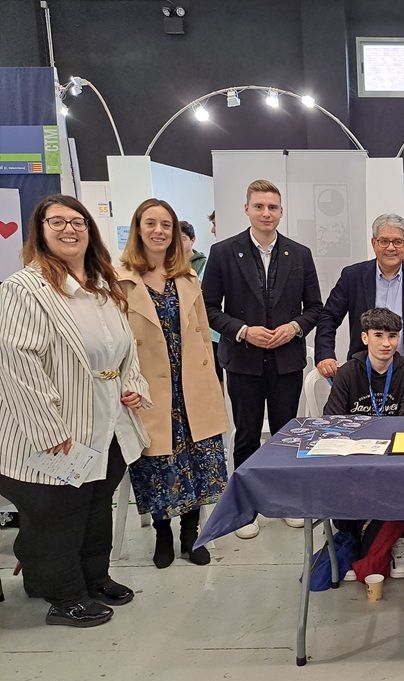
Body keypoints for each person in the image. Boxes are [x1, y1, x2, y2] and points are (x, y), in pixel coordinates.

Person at [0, 195, 150, 627]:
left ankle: (94, 577)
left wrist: (134, 387)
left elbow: (126, 350)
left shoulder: (103, 285)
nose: (69, 229)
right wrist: (49, 429)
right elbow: (17, 363)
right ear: (40, 230)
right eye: (57, 221)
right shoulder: (24, 289)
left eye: (77, 221)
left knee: (96, 504)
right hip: (54, 430)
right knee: (58, 513)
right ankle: (63, 596)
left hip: (108, 422)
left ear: (89, 229)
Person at [202, 179, 323, 539]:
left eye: (272, 207)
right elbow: (208, 308)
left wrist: (295, 327)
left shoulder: (299, 254)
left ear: (281, 211)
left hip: (286, 360)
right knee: (247, 435)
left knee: (287, 435)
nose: (266, 213)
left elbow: (315, 307)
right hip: (243, 360)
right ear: (247, 209)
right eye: (259, 206)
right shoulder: (223, 252)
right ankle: (247, 508)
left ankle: (285, 501)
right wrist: (242, 330)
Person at [117, 199, 230, 569]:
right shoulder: (120, 280)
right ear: (138, 229)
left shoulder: (187, 277)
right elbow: (116, 341)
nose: (159, 231)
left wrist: (211, 380)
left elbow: (202, 333)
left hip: (192, 385)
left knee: (198, 463)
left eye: (166, 225)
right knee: (158, 465)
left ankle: (191, 535)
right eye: (151, 223)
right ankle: (163, 534)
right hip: (149, 390)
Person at [324, 307, 404, 578]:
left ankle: (396, 538)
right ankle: (354, 533)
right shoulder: (348, 372)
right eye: (379, 335)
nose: (386, 343)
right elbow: (332, 420)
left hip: (391, 455)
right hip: (354, 454)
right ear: (365, 337)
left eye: (393, 336)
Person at [315, 214, 404, 379]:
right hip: (364, 373)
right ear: (374, 243)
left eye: (398, 242)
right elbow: (328, 317)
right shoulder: (353, 276)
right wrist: (325, 354)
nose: (391, 248)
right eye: (384, 241)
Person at [181, 220, 222, 382]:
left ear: (192, 240)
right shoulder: (167, 267)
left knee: (215, 376)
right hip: (186, 331)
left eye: (183, 238)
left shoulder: (204, 264)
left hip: (211, 332)